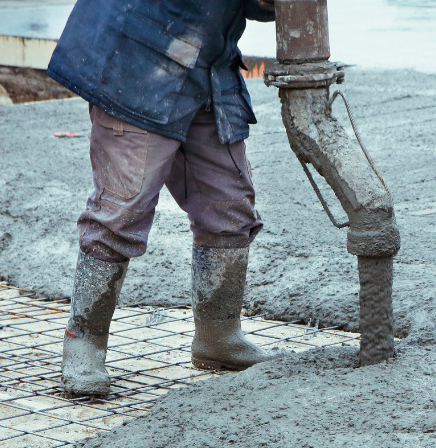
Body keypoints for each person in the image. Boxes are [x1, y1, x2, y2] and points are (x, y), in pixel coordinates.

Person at [48, 0, 279, 396]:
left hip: (208, 65)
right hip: (138, 60)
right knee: (121, 209)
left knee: (230, 206)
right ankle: (83, 343)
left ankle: (218, 337)